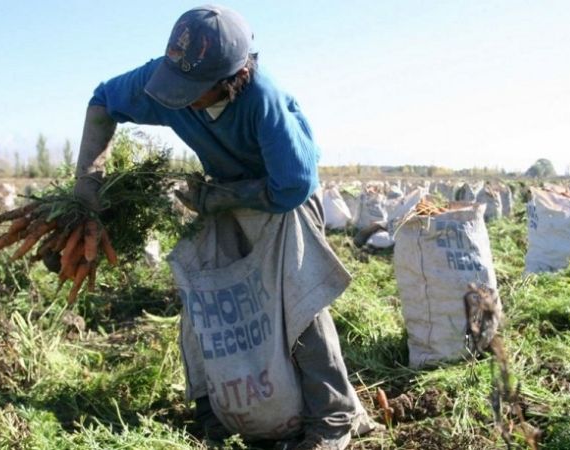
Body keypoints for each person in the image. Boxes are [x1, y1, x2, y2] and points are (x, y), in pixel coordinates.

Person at [73, 5, 375, 449]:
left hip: (280, 198)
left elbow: (292, 186)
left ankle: (333, 419)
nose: (179, 99)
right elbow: (102, 100)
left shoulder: (263, 100)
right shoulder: (161, 83)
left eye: (193, 90)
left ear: (234, 79)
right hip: (222, 195)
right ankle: (213, 415)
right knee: (204, 300)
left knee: (297, 300)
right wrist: (88, 180)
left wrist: (218, 198)